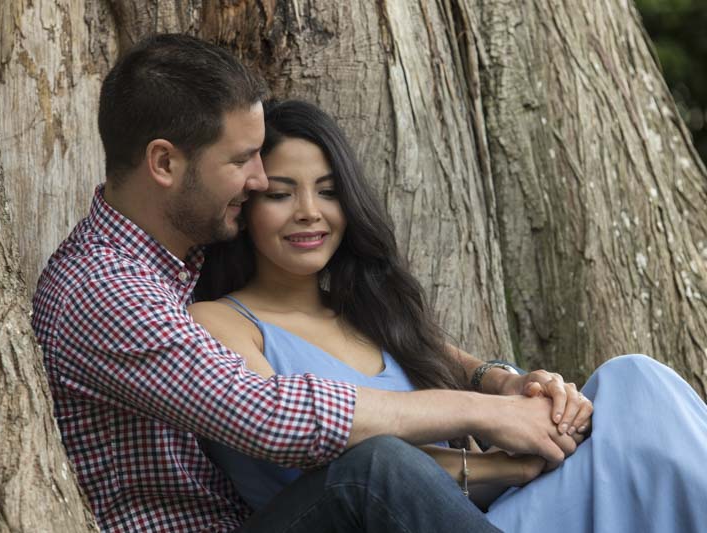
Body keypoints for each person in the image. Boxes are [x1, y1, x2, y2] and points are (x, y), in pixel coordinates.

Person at [33, 33, 590, 532]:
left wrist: (499, 383)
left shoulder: (178, 261)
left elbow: (374, 337)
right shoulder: (106, 286)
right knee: (374, 471)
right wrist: (484, 414)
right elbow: (269, 416)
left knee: (622, 388)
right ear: (164, 163)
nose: (257, 180)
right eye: (243, 160)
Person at [189, 99, 707, 532]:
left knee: (633, 380)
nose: (309, 211)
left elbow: (469, 372)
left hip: (489, 517)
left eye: (328, 192)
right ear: (245, 209)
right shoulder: (219, 322)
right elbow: (327, 458)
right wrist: (502, 467)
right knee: (383, 462)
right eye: (280, 194)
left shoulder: (364, 312)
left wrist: (521, 388)